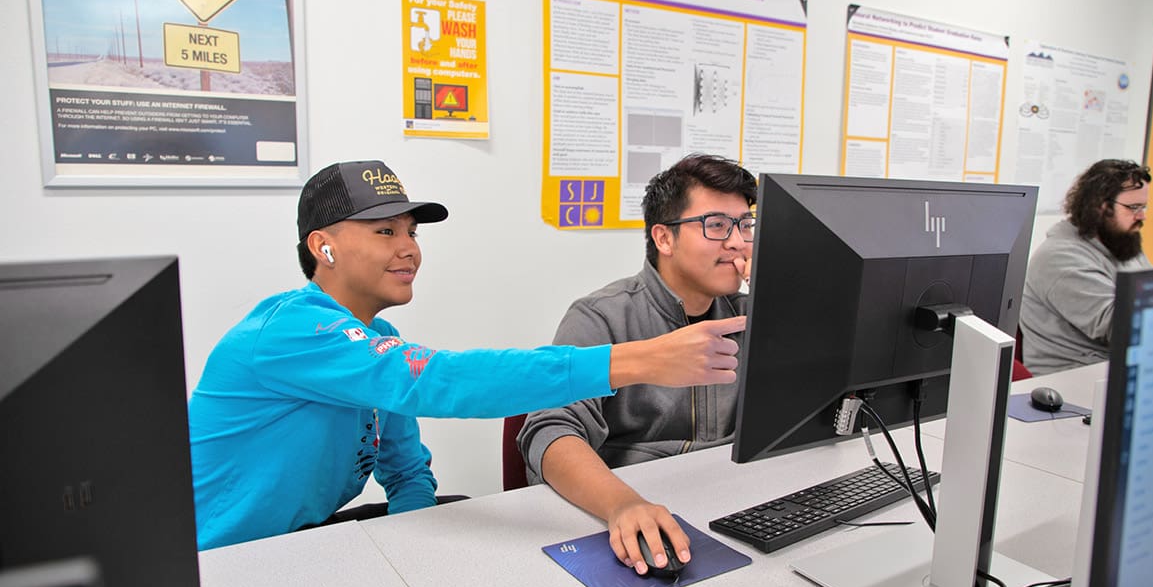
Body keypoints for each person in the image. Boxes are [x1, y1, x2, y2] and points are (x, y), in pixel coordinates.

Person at [188, 159, 746, 550]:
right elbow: (442, 381)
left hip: (305, 542)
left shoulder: (377, 341)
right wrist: (637, 360)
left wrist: (418, 559)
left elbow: (406, 474)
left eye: (411, 232)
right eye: (385, 231)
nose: (409, 249)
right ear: (322, 246)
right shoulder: (290, 330)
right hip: (227, 563)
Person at [518, 154, 755, 574]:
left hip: (730, 500)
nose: (737, 242)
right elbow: (550, 430)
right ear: (664, 238)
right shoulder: (601, 316)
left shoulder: (753, 313)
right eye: (717, 225)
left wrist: (781, 294)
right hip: (634, 506)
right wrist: (622, 504)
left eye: (745, 225)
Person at [1020, 159, 1151, 375]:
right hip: (1072, 383)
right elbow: (1121, 326)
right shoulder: (1059, 257)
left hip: (1114, 370)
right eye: (1133, 207)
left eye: (1143, 206)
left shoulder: (1122, 243)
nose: (1142, 216)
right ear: (1100, 206)